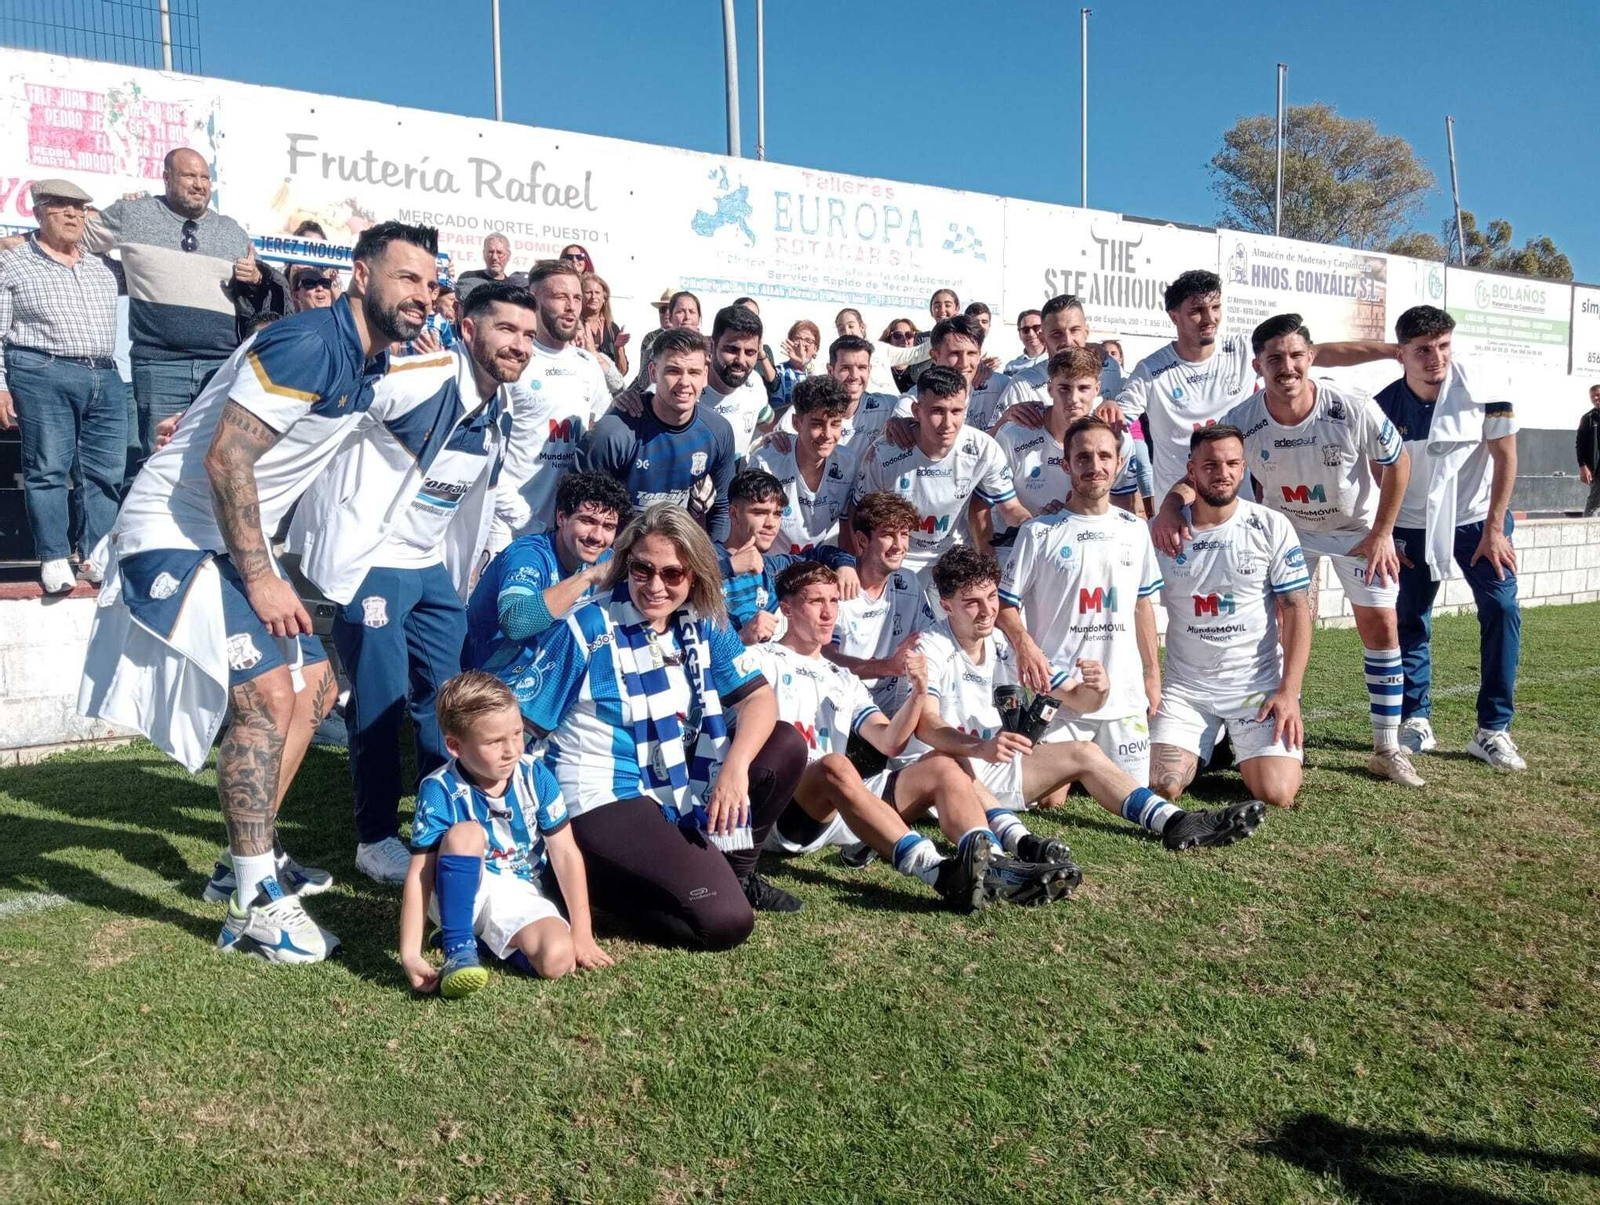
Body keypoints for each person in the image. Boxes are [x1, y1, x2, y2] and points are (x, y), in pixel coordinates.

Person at [79, 220, 441, 962]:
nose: (421, 295)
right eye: (407, 278)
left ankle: (245, 860)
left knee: (312, 687)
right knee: (269, 695)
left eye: (431, 283)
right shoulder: (313, 340)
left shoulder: (367, 361)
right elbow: (226, 460)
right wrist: (263, 575)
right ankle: (254, 905)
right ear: (361, 276)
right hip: (172, 536)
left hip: (219, 539)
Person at [286, 281, 531, 885]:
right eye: (506, 330)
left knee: (445, 703)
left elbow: (480, 498)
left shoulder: (498, 408)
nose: (519, 345)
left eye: (528, 335)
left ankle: (444, 818)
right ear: (468, 329)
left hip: (430, 569)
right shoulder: (419, 377)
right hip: (370, 560)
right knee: (381, 700)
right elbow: (321, 415)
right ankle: (374, 838)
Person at [504, 504, 811, 939]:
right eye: (642, 569)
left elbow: (759, 697)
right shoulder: (590, 624)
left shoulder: (704, 621)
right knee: (726, 923)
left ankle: (734, 873)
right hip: (602, 791)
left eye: (672, 574)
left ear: (695, 574)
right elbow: (521, 723)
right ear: (626, 565)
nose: (654, 586)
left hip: (675, 778)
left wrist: (735, 769)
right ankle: (581, 876)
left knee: (785, 745)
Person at [1152, 314, 1421, 786]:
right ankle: (1254, 726)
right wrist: (1173, 505)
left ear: (1311, 358)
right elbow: (1197, 470)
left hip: (1354, 530)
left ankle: (1387, 746)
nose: (1287, 367)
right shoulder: (1244, 418)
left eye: (1296, 356)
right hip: (1288, 532)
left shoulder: (1352, 406)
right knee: (1280, 622)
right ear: (1258, 365)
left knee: (1381, 625)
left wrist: (1383, 532)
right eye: (1275, 358)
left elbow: (1397, 460)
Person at [757, 561, 1033, 912]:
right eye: (815, 602)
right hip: (786, 814)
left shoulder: (841, 678)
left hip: (838, 812)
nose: (828, 613)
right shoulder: (760, 659)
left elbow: (889, 743)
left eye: (833, 602)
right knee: (835, 766)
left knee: (943, 765)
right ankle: (938, 872)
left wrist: (918, 694)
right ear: (786, 608)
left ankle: (991, 863)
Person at [1373, 305, 1525, 771]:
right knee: (1410, 617)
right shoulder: (1382, 403)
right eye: (1422, 350)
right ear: (1402, 354)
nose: (1436, 358)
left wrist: (1496, 528)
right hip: (1413, 523)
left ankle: (1493, 729)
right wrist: (1388, 530)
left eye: (1443, 346)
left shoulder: (1484, 390)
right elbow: (1378, 473)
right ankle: (1417, 719)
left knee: (1502, 608)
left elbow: (1505, 457)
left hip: (1478, 521)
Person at [399, 672, 610, 997]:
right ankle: (458, 949)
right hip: (460, 891)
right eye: (495, 742)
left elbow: (566, 853)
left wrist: (583, 932)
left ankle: (483, 944)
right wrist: (410, 954)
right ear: (455, 746)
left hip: (518, 890)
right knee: (466, 834)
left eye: (517, 734)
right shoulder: (439, 790)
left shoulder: (535, 775)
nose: (511, 749)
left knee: (558, 960)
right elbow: (420, 874)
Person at [1148, 425, 1311, 810]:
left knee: (1276, 793)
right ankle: (1212, 741)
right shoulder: (1164, 533)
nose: (1222, 472)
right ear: (1191, 471)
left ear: (1243, 468)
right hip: (1187, 689)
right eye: (1210, 464)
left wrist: (1289, 692)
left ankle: (1233, 742)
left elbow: (1296, 609)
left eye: (1232, 463)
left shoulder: (1271, 525)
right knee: (1163, 786)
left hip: (1256, 686)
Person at [998, 415, 1163, 789]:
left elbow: (1141, 604)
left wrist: (1152, 674)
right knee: (1049, 798)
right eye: (1084, 457)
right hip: (1060, 692)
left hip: (1123, 693)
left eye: (1105, 456)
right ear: (1066, 464)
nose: (1095, 466)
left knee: (1151, 786)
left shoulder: (1135, 530)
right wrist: (1026, 647)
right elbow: (1005, 606)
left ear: (1119, 464)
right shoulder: (1038, 532)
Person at [83, 148, 269, 459]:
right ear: (167, 178)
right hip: (160, 366)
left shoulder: (232, 230)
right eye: (189, 176)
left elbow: (263, 293)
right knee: (159, 460)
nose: (199, 184)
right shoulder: (134, 214)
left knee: (219, 461)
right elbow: (73, 240)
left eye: (205, 178)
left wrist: (256, 276)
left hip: (221, 367)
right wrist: (119, 274)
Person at [0, 178, 127, 593]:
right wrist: (1, 386)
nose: (73, 214)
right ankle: (54, 556)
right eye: (61, 206)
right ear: (38, 213)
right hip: (41, 369)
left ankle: (96, 555)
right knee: (48, 469)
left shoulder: (102, 264)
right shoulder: (13, 262)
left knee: (105, 473)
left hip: (104, 374)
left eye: (80, 207)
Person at [849, 365, 1028, 582]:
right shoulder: (883, 453)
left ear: (966, 407)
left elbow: (1011, 508)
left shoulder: (983, 448)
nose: (947, 424)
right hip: (901, 559)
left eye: (956, 411)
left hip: (955, 556)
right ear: (916, 411)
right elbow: (858, 515)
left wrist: (1035, 527)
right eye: (937, 411)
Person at [490, 259, 612, 551]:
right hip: (509, 529)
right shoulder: (512, 361)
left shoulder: (588, 366)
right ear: (534, 300)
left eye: (577, 298)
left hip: (566, 534)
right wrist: (523, 519)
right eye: (560, 297)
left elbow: (608, 433)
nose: (571, 306)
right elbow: (487, 454)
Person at [466, 471, 631, 671]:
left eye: (608, 526)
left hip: (547, 670)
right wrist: (587, 577)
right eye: (587, 521)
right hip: (491, 679)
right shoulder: (528, 555)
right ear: (561, 517)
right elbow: (515, 624)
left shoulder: (603, 558)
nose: (597, 536)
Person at [583, 327, 737, 539]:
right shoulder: (613, 433)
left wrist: (717, 561)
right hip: (619, 560)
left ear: (705, 375)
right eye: (673, 370)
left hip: (677, 562)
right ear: (654, 372)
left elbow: (723, 508)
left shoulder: (718, 431)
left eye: (693, 372)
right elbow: (582, 512)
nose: (685, 382)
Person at [994, 348, 1141, 548]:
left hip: (1089, 546)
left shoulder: (1117, 437)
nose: (1073, 399)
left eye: (1083, 388)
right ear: (1049, 389)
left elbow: (1124, 504)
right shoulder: (1014, 435)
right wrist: (1039, 526)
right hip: (1021, 547)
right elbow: (993, 504)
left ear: (1097, 389)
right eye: (1064, 388)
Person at [823, 492, 938, 711]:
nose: (898, 545)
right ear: (862, 540)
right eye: (887, 535)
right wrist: (887, 667)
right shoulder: (834, 587)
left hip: (894, 708)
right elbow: (828, 659)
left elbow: (930, 638)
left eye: (904, 534)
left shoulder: (909, 581)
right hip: (841, 707)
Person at [716, 468, 858, 644]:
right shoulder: (704, 557)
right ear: (734, 514)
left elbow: (822, 554)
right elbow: (678, 586)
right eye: (760, 513)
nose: (771, 524)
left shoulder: (772, 568)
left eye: (777, 514)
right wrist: (730, 567)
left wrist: (845, 565)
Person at [750, 376, 859, 554]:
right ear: (796, 423)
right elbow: (747, 533)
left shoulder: (848, 463)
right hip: (772, 569)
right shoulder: (765, 464)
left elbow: (847, 528)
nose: (828, 434)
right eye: (817, 424)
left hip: (820, 570)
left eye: (835, 424)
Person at [894, 314, 1012, 432]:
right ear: (935, 357)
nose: (964, 363)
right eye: (955, 353)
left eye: (971, 353)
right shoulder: (913, 401)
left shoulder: (1002, 385)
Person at [702, 304, 770, 461]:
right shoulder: (686, 386)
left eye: (750, 352)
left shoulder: (755, 383)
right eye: (732, 350)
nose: (741, 360)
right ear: (712, 346)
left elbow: (769, 423)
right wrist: (633, 401)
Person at [833, 306, 929, 398]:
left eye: (851, 326)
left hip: (889, 408)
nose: (846, 331)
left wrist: (940, 336)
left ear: (862, 326)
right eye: (841, 329)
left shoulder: (880, 349)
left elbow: (916, 354)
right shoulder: (836, 358)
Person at [631, 290, 702, 390]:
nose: (687, 317)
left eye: (692, 311)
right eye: (680, 311)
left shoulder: (707, 346)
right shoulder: (653, 342)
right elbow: (643, 381)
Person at [579, 272, 628, 377]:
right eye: (588, 292)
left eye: (597, 292)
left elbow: (621, 373)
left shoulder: (612, 328)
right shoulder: (575, 327)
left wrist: (618, 348)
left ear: (604, 298)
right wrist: (593, 349)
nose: (593, 297)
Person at [774, 319, 820, 411]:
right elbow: (776, 408)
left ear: (815, 348)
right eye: (797, 339)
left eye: (808, 340)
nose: (802, 344)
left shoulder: (820, 371)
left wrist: (803, 361)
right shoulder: (778, 371)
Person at [1576, 383, 1600, 517]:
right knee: (1593, 507)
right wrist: (1583, 466)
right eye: (1593, 396)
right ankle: (1586, 531)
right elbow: (1580, 444)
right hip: (1597, 470)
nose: (1596, 398)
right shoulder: (1588, 418)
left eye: (1598, 394)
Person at [1004, 309, 1046, 375]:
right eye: (1025, 329)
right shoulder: (1011, 367)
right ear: (1020, 334)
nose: (1031, 334)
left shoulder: (1057, 359)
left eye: (1036, 328)